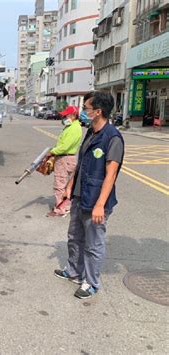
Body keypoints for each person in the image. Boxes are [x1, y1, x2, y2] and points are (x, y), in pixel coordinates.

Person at [54, 91, 124, 299]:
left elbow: (111, 175)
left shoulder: (112, 138)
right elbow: (82, 163)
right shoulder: (91, 132)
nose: (83, 113)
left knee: (93, 244)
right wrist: (69, 185)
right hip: (79, 196)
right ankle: (74, 271)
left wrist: (100, 204)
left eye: (86, 109)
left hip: (96, 200)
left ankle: (91, 282)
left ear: (98, 112)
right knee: (74, 237)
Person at [46, 105, 82, 217]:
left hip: (64, 157)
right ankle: (66, 205)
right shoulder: (71, 126)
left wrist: (52, 151)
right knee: (67, 184)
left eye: (66, 115)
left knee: (59, 184)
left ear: (73, 115)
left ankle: (61, 209)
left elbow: (65, 146)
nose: (64, 117)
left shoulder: (74, 128)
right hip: (67, 157)